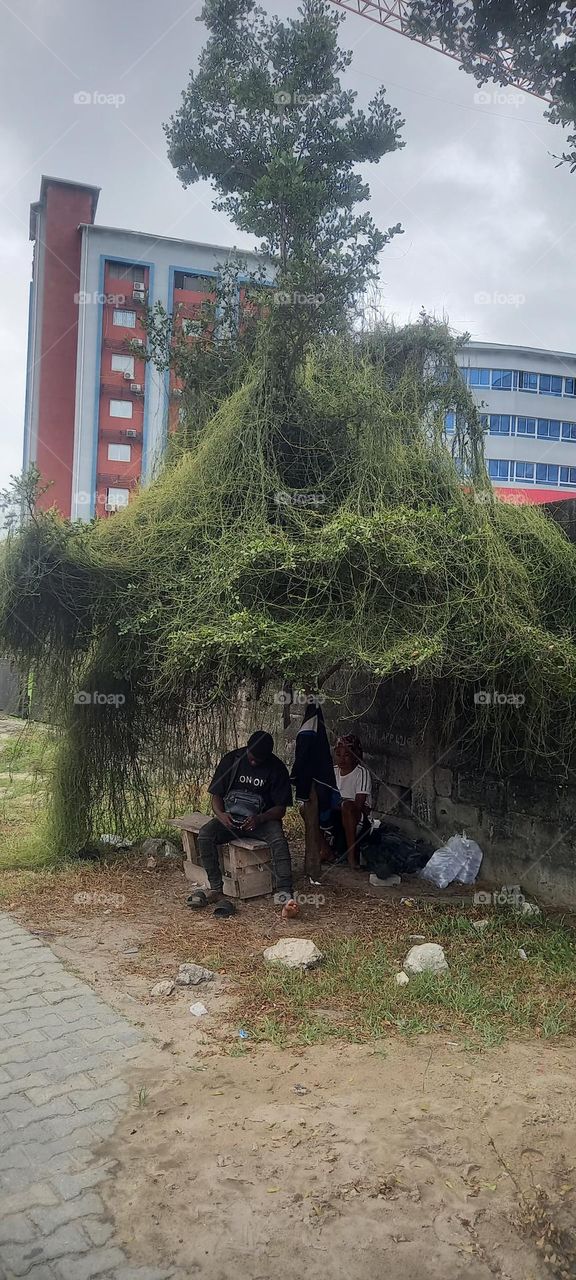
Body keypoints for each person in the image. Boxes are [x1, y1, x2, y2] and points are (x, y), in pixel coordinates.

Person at [189, 731, 299, 916]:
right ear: (247, 748)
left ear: (268, 756)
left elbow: (280, 809)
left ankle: (285, 895)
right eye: (252, 758)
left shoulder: (277, 768)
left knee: (279, 841)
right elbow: (216, 795)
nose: (254, 762)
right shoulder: (232, 760)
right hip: (231, 818)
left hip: (262, 821)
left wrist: (260, 819)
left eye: (259, 760)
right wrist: (221, 814)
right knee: (206, 834)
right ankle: (216, 888)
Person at [332, 734, 372, 868]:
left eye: (347, 755)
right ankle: (325, 850)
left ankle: (351, 855)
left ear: (355, 756)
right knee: (307, 807)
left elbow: (359, 805)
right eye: (338, 754)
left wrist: (338, 803)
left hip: (358, 818)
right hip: (336, 813)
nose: (342, 759)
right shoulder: (332, 772)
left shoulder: (361, 773)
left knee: (347, 807)